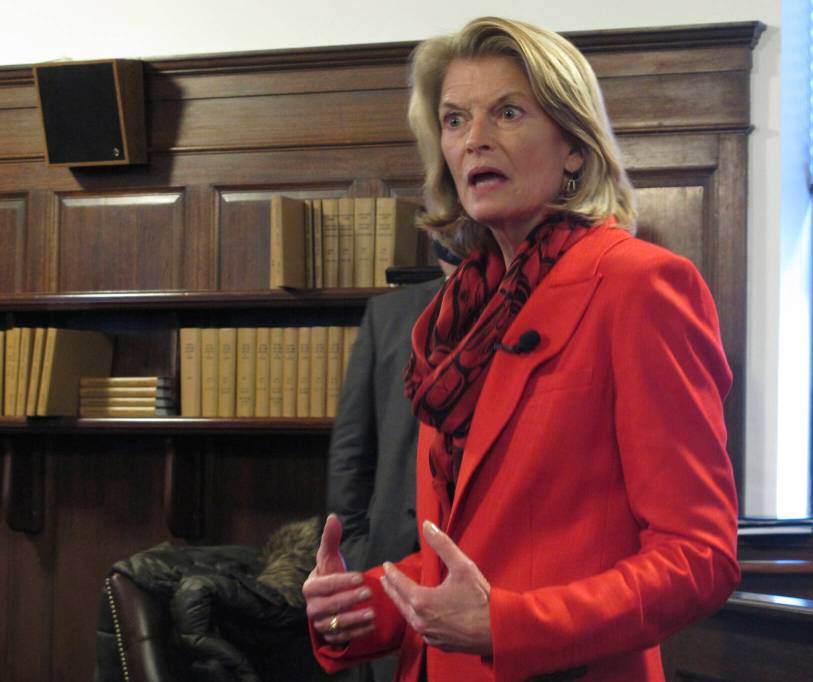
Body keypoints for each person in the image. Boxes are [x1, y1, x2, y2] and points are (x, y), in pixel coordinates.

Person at [304, 16, 739, 681]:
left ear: (573, 145)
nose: (475, 139)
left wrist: (509, 625)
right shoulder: (456, 318)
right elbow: (468, 556)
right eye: (454, 120)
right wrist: (359, 606)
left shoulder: (640, 286)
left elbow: (698, 557)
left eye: (507, 113)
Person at [327, 243, 460, 682]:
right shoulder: (388, 316)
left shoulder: (524, 308)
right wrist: (361, 557)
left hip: (486, 577)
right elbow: (351, 452)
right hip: (389, 566)